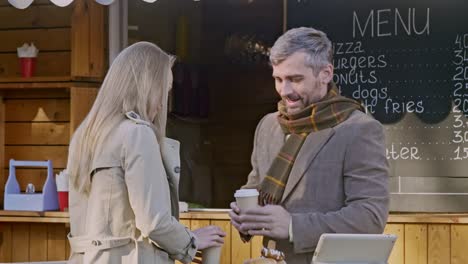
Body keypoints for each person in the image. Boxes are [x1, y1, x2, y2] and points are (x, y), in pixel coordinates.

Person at [229, 27, 389, 263]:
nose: (285, 91)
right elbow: (255, 188)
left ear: (325, 74)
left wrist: (293, 226)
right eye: (278, 79)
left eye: (295, 79)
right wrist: (245, 215)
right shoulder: (268, 125)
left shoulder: (359, 129)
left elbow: (370, 217)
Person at [66, 42, 225, 264]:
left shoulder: (84, 135)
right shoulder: (137, 134)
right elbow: (154, 222)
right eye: (164, 91)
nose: (163, 104)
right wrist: (191, 240)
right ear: (146, 87)